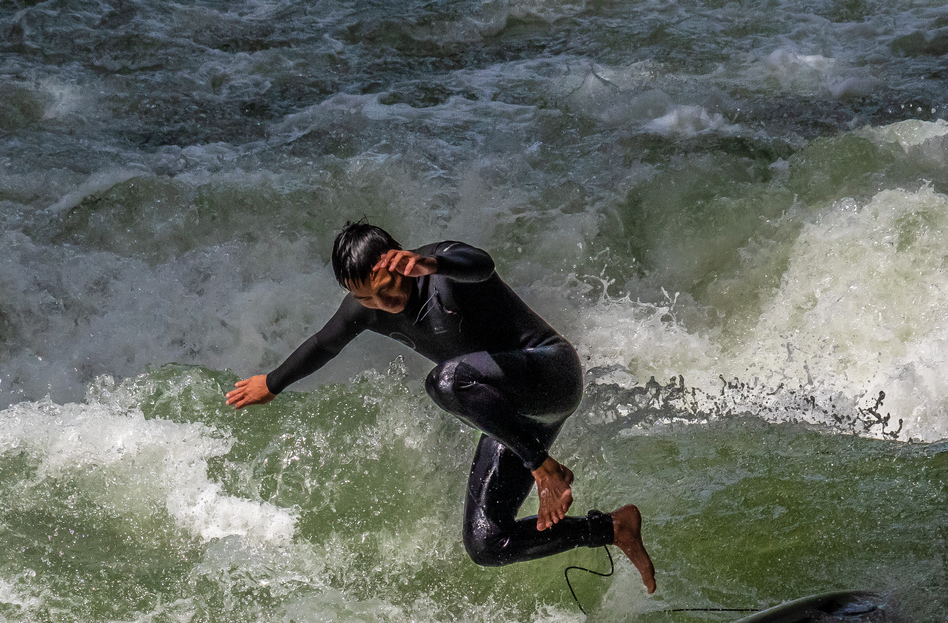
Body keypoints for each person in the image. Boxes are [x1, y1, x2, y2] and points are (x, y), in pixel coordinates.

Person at [226, 222, 655, 593]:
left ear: (397, 261)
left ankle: (545, 469)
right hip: (511, 416)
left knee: (446, 380)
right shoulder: (367, 307)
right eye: (368, 298)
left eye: (386, 287)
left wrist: (432, 265)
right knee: (487, 542)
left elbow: (482, 264)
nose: (383, 302)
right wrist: (272, 383)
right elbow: (324, 344)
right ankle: (611, 528)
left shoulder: (441, 267)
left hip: (550, 375)